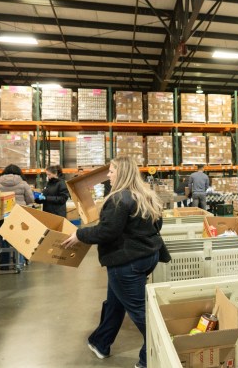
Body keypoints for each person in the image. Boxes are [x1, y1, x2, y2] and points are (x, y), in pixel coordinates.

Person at [63, 157, 170, 368]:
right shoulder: (145, 196)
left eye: (111, 171)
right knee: (115, 303)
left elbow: (107, 231)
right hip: (148, 256)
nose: (108, 175)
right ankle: (100, 342)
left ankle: (155, 355)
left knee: (139, 311)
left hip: (127, 262)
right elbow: (158, 223)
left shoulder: (119, 199)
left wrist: (80, 234)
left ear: (121, 173)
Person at [0, 164, 35, 269]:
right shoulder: (23, 184)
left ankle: (4, 264)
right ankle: (20, 262)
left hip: (3, 215)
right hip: (19, 214)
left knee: (4, 238)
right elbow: (31, 199)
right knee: (20, 238)